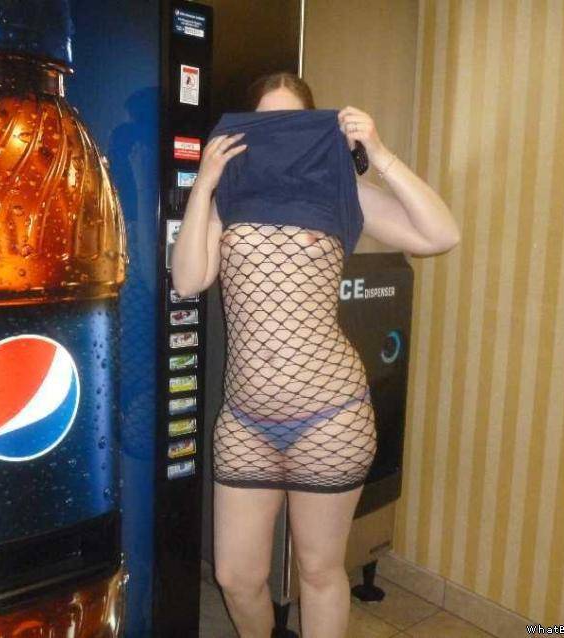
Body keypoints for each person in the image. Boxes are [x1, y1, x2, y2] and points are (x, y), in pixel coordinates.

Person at [171, 72, 459, 638]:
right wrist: (203, 184)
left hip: (329, 418)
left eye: (293, 125)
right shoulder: (230, 193)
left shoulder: (339, 189)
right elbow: (188, 279)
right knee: (236, 577)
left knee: (320, 572)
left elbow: (440, 235)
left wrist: (380, 154)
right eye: (265, 126)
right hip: (245, 422)